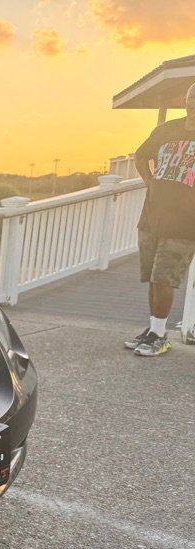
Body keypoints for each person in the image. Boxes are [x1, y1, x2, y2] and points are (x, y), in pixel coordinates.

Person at [126, 83, 195, 356]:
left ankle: (160, 335)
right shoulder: (166, 130)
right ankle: (154, 329)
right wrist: (150, 182)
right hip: (153, 215)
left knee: (165, 277)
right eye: (191, 97)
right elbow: (141, 156)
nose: (193, 102)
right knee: (153, 277)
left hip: (185, 222)